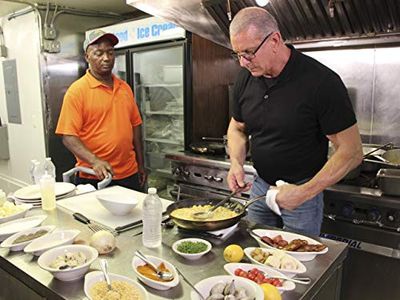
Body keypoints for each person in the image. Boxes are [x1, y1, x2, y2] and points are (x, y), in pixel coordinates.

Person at [227, 7, 363, 235]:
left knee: (297, 265)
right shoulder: (245, 78)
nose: (243, 63)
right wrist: (236, 164)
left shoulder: (321, 82)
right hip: (260, 188)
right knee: (253, 255)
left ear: (274, 40)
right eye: (238, 54)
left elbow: (352, 151)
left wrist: (304, 192)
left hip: (303, 195)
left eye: (249, 52)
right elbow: (237, 127)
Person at [56, 30, 146, 191]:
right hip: (94, 176)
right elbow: (68, 137)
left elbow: (136, 127)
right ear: (87, 57)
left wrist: (141, 164)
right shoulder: (77, 91)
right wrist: (94, 160)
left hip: (129, 173)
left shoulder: (124, 88)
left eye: (110, 52)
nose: (106, 58)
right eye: (99, 53)